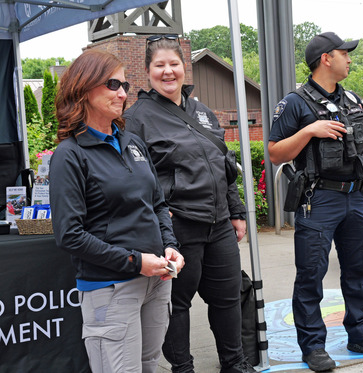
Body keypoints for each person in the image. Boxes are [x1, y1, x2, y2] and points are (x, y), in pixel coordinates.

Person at [123, 35, 255, 373]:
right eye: (160, 65)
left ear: (185, 67)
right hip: (176, 227)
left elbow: (224, 166)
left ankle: (235, 363)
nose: (168, 72)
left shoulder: (204, 113)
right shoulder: (136, 118)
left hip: (219, 223)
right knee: (175, 305)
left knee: (227, 299)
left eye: (174, 64)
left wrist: (237, 212)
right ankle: (183, 368)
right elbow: (132, 176)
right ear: (148, 71)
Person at [49, 49, 185, 373]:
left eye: (125, 84)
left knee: (149, 365)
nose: (123, 93)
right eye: (112, 84)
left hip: (156, 279)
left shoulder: (133, 143)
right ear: (84, 87)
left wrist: (170, 246)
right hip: (110, 287)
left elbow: (157, 204)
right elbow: (69, 235)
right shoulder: (69, 155)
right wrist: (135, 262)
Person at [268, 32, 363, 372]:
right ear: (326, 58)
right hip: (321, 198)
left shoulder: (353, 100)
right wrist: (308, 131)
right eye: (344, 53)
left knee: (359, 271)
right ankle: (313, 345)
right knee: (311, 274)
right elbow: (274, 153)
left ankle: (361, 333)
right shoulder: (295, 103)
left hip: (356, 197)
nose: (350, 58)